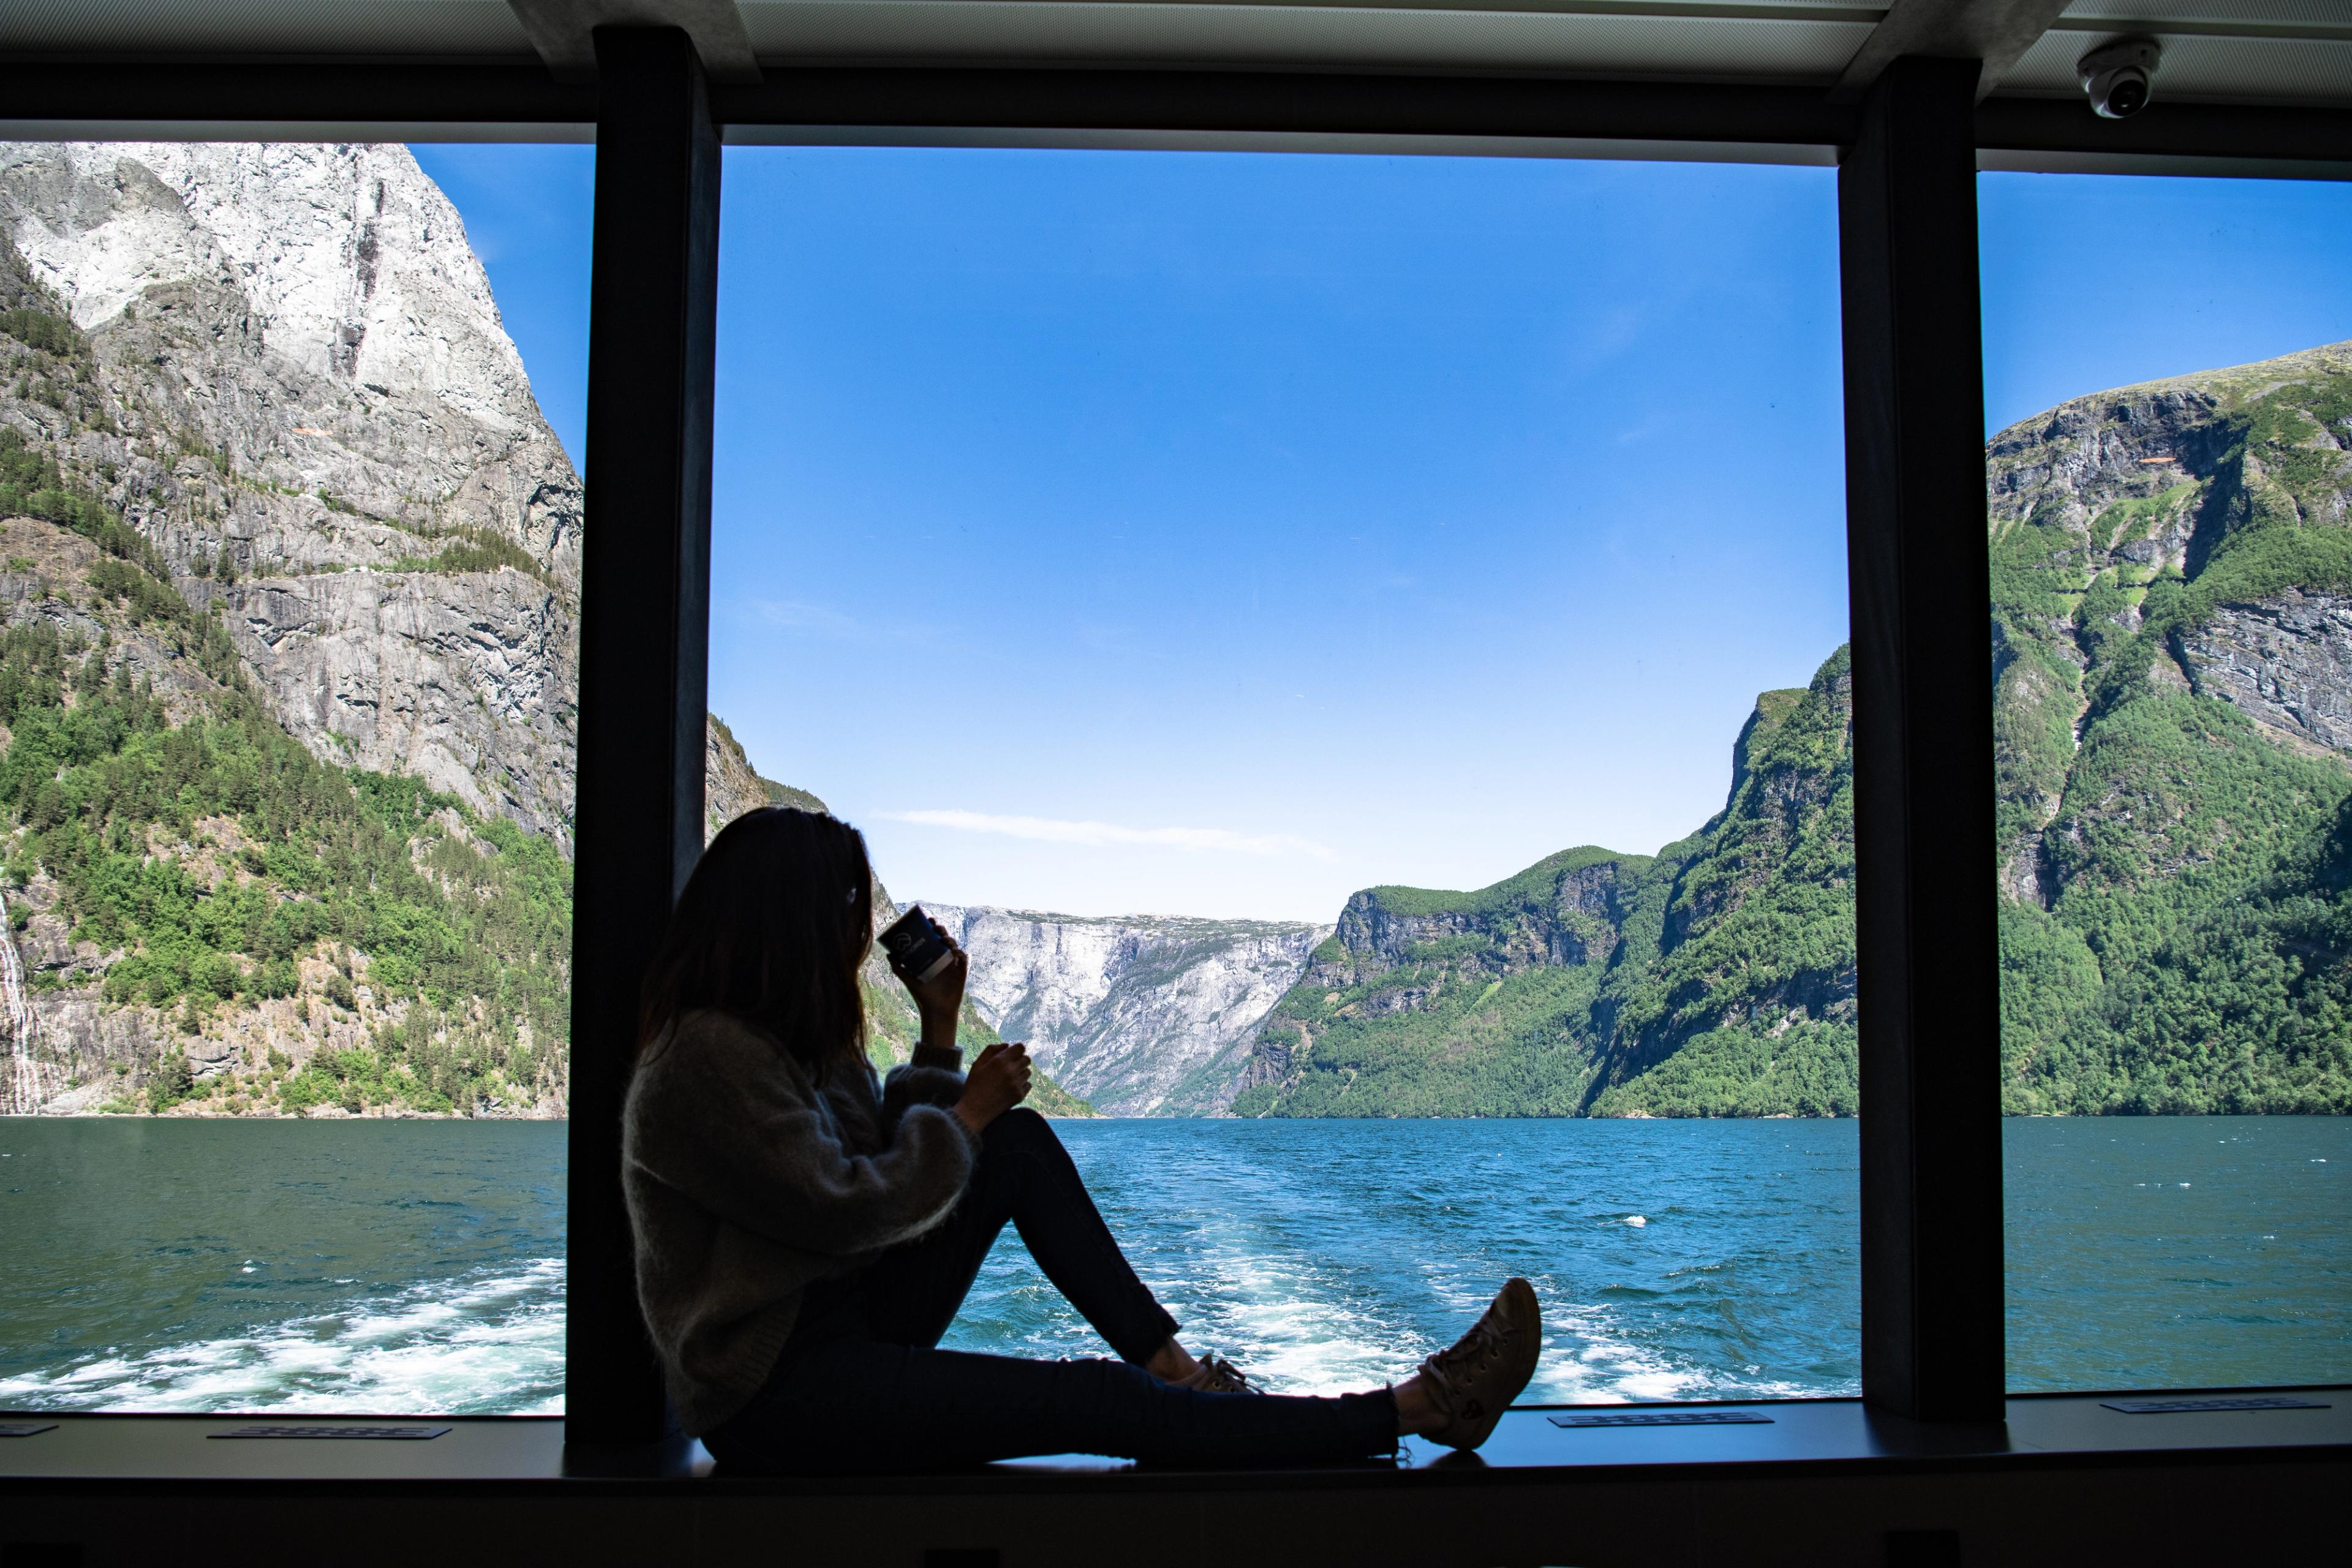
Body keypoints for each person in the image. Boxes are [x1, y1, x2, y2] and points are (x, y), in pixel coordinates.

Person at [622, 807, 1542, 1472]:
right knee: (1098, 1401)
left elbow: (883, 1155)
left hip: (841, 1316)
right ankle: (1420, 1408)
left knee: (1015, 1145)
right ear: (789, 922)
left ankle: (1178, 1374)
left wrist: (939, 1033)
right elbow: (851, 1207)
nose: (858, 940)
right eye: (845, 914)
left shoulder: (791, 1042)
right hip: (774, 1390)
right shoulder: (706, 1056)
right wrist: (967, 1114)